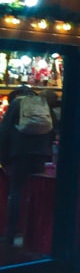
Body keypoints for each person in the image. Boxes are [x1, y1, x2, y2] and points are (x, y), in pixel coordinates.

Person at [0, 85, 53, 247]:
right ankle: (31, 234)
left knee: (16, 192)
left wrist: (4, 159)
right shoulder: (42, 104)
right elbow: (52, 129)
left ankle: (11, 234)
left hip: (19, 155)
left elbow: (4, 132)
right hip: (41, 155)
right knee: (35, 193)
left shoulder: (16, 105)